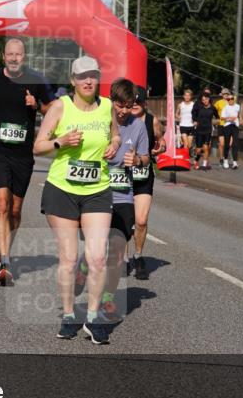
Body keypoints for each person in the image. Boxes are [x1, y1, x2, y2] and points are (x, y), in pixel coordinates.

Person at [33, 56, 121, 344]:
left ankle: (93, 318)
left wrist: (113, 144)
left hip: (97, 188)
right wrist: (60, 142)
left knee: (97, 257)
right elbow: (38, 146)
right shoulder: (61, 107)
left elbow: (116, 135)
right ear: (73, 80)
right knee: (70, 259)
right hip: (62, 189)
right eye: (82, 76)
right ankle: (70, 314)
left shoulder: (107, 106)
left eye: (93, 76)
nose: (88, 81)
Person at [0, 38, 54, 286]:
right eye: (10, 54)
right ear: (3, 56)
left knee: (16, 210)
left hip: (22, 155)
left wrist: (37, 105)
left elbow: (53, 109)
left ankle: (4, 248)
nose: (14, 58)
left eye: (18, 54)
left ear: (24, 57)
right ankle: (6, 261)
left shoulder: (36, 80)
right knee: (2, 204)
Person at [100, 78, 150, 319]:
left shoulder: (138, 126)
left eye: (128, 106)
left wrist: (137, 161)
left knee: (119, 246)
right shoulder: (100, 118)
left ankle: (109, 298)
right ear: (112, 101)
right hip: (96, 189)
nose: (123, 111)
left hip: (123, 192)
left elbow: (146, 157)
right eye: (120, 105)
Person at [129, 88, 163, 279]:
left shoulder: (152, 121)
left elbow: (161, 141)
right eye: (131, 101)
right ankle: (123, 259)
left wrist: (160, 147)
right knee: (124, 220)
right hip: (121, 176)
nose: (134, 105)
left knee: (140, 220)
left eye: (138, 102)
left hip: (143, 175)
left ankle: (138, 255)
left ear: (145, 103)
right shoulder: (120, 120)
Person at [191, 91, 218, 170]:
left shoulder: (213, 108)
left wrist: (217, 121)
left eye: (206, 99)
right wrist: (195, 121)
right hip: (199, 130)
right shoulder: (199, 107)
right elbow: (194, 114)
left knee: (206, 148)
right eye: (203, 100)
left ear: (209, 99)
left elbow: (217, 117)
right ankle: (196, 160)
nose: (204, 101)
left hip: (208, 130)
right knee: (199, 149)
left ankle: (204, 164)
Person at [219, 90, 240, 169]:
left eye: (231, 99)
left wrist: (234, 118)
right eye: (228, 99)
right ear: (227, 100)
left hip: (235, 126)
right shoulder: (225, 107)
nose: (230, 100)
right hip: (227, 126)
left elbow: (237, 115)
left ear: (234, 99)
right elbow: (222, 117)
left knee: (235, 144)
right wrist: (229, 118)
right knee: (227, 144)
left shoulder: (237, 106)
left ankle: (235, 162)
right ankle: (225, 160)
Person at [177, 89, 195, 164]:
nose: (187, 97)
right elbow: (176, 114)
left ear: (191, 97)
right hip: (183, 125)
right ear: (183, 96)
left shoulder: (193, 104)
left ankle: (182, 150)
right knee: (186, 143)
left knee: (189, 145)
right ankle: (185, 160)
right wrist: (178, 117)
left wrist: (195, 120)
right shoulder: (180, 105)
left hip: (191, 126)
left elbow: (196, 114)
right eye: (186, 95)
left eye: (188, 95)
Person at [214, 87, 229, 164]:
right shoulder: (218, 102)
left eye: (226, 94)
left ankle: (226, 157)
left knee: (229, 144)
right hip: (221, 125)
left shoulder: (231, 102)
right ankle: (221, 158)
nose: (225, 95)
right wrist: (217, 117)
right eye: (224, 94)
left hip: (229, 125)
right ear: (222, 95)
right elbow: (213, 110)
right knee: (222, 143)